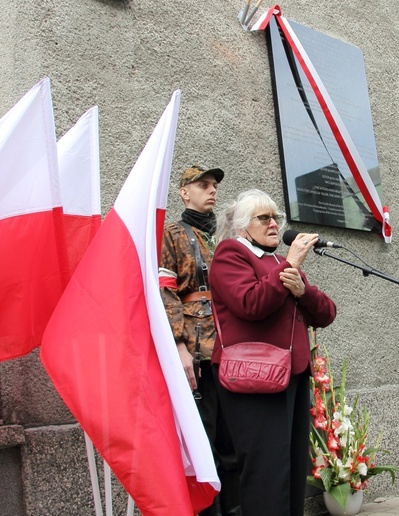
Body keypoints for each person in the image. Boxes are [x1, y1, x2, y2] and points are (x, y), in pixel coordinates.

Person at [209, 189, 337, 516]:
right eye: (264, 218)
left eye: (276, 217)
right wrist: (290, 269)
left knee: (292, 469)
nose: (273, 224)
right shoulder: (230, 253)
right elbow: (250, 303)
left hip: (291, 377)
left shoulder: (281, 262)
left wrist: (303, 290)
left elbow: (326, 313)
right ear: (242, 226)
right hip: (252, 380)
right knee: (266, 473)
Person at [159, 165, 240, 515]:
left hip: (233, 348)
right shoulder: (172, 234)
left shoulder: (228, 236)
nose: (212, 191)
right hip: (197, 352)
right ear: (184, 193)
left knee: (234, 443)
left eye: (215, 186)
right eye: (203, 185)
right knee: (203, 443)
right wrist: (178, 346)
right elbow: (165, 292)